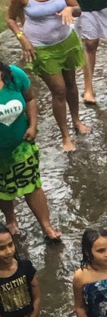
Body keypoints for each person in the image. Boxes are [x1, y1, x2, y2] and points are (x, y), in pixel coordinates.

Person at [7, 0, 87, 152]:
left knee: (71, 83)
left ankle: (77, 120)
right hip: (41, 47)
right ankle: (65, 135)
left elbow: (78, 9)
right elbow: (10, 18)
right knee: (58, 90)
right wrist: (22, 39)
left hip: (66, 41)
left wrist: (70, 8)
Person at [0, 62, 60, 242]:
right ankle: (10, 220)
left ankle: (46, 226)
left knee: (32, 184)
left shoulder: (13, 75)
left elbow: (30, 98)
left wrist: (33, 125)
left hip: (22, 145)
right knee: (3, 188)